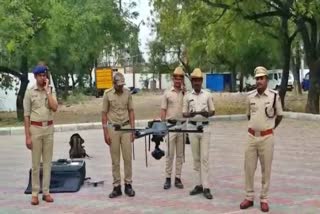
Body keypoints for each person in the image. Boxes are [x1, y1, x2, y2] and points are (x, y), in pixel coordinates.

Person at [240, 66, 283, 212]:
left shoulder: (274, 96)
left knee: (266, 170)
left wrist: (269, 127)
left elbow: (280, 115)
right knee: (249, 168)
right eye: (257, 78)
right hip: (251, 137)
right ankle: (249, 197)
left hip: (267, 138)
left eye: (261, 78)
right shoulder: (250, 96)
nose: (259, 81)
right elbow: (248, 116)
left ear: (267, 80)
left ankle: (264, 198)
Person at [23, 64, 58, 205]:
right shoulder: (30, 92)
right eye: (40, 76)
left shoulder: (50, 90)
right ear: (36, 77)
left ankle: (46, 192)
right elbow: (26, 116)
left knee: (48, 163)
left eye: (44, 75)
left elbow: (55, 107)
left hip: (48, 129)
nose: (43, 78)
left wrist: (48, 91)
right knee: (36, 163)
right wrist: (27, 136)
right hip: (35, 129)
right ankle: (35, 193)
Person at [102, 72, 136, 198]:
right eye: (119, 85)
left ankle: (128, 184)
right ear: (114, 83)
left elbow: (131, 111)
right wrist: (105, 132)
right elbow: (104, 114)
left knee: (127, 158)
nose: (121, 87)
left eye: (122, 85)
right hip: (113, 128)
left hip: (126, 127)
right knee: (115, 159)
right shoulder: (107, 94)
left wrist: (133, 130)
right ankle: (117, 186)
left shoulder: (128, 93)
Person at [182, 68, 215, 200]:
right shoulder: (187, 96)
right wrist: (191, 114)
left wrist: (207, 113)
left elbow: (213, 111)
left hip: (205, 128)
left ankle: (206, 186)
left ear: (202, 81)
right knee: (196, 158)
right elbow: (184, 113)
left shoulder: (207, 94)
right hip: (192, 127)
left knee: (204, 158)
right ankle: (198, 184)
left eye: (198, 80)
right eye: (194, 80)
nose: (196, 82)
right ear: (192, 81)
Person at [160, 67, 185, 190]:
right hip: (170, 126)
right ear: (173, 79)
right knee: (170, 154)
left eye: (180, 78)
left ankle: (178, 178)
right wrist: (162, 126)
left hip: (182, 126)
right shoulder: (167, 93)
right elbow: (163, 110)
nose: (178, 80)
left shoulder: (185, 93)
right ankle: (168, 178)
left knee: (180, 154)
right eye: (176, 78)